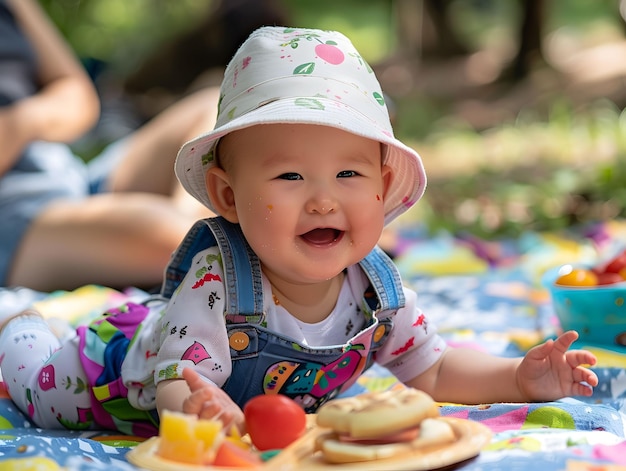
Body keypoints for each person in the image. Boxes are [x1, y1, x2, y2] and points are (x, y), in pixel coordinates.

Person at [0, 26, 598, 438]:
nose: (322, 198)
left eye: (348, 173)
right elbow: (174, 384)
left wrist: (519, 376)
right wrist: (203, 410)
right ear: (229, 197)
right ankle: (17, 322)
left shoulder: (377, 295)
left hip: (190, 359)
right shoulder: (216, 285)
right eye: (289, 175)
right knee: (36, 393)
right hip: (108, 381)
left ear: (383, 191)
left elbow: (436, 370)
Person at [0, 0, 217, 292]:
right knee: (179, 239)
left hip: (68, 175)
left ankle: (206, 255)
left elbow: (77, 95)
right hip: (14, 215)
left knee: (217, 109)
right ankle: (209, 261)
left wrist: (23, 122)